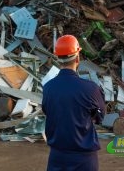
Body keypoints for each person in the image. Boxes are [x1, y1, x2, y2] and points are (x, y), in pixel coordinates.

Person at [42, 34, 106, 171]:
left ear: (58, 59)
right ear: (78, 57)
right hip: (84, 159)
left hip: (57, 157)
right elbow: (100, 116)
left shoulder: (48, 88)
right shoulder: (91, 88)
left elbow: (48, 112)